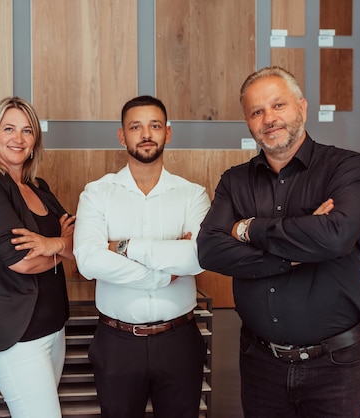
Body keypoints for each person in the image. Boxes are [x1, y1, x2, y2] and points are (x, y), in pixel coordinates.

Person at [197, 66, 360, 417]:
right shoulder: (235, 182)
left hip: (334, 366)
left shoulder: (346, 167)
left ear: (302, 108)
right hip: (262, 363)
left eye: (279, 105)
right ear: (248, 122)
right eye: (257, 111)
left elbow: (336, 236)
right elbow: (209, 249)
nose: (269, 119)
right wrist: (297, 250)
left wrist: (248, 229)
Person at [72, 95, 210, 418]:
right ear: (122, 136)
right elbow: (89, 260)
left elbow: (199, 257)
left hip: (179, 341)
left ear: (168, 133)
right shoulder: (97, 193)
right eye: (136, 126)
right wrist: (163, 271)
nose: (146, 134)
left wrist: (123, 247)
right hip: (117, 343)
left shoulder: (192, 195)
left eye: (154, 126)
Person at [0, 96, 75, 418]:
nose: (19, 138)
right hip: (16, 335)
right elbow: (22, 261)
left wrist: (52, 245)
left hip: (53, 326)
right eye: (8, 128)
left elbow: (78, 243)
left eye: (27, 131)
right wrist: (61, 246)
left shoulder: (40, 187)